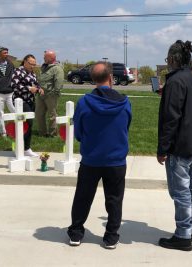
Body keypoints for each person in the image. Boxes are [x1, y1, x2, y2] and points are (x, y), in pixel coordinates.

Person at [67, 62, 132, 249]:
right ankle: (111, 236)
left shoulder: (84, 102)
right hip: (116, 159)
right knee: (114, 199)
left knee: (83, 197)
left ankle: (76, 233)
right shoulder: (125, 102)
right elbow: (126, 126)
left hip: (91, 159)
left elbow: (78, 131)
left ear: (92, 80)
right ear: (111, 78)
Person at [157, 40, 192, 251]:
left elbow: (171, 118)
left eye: (168, 59)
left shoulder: (175, 82)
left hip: (181, 145)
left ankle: (183, 235)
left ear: (174, 59)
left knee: (181, 191)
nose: (167, 62)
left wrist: (163, 149)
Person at [11, 54, 44, 157]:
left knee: (29, 125)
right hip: (20, 101)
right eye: (31, 64)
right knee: (25, 123)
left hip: (30, 101)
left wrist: (39, 88)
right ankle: (21, 147)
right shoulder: (17, 71)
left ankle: (26, 148)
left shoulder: (32, 73)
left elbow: (36, 84)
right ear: (25, 61)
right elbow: (14, 86)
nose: (33, 66)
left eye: (34, 64)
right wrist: (29, 89)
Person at [36, 50, 64, 137]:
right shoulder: (44, 67)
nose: (44, 58)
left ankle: (53, 134)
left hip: (50, 95)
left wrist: (52, 93)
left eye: (45, 57)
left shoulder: (57, 68)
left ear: (51, 58)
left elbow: (58, 83)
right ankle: (42, 133)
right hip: (41, 94)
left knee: (52, 115)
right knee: (39, 114)